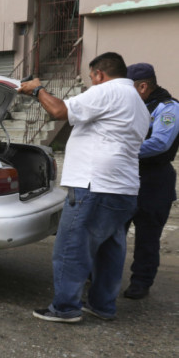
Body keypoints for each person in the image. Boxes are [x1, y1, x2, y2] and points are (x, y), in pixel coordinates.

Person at [18, 52, 150, 322]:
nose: (92, 83)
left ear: (100, 74)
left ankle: (65, 308)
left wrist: (38, 90)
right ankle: (102, 305)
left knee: (72, 247)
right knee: (110, 250)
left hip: (94, 184)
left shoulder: (108, 91)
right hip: (124, 188)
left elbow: (58, 111)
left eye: (92, 78)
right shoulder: (137, 101)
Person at [123, 63, 179, 299]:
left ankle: (141, 282)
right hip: (126, 176)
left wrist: (121, 150)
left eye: (129, 89)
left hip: (154, 180)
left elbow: (160, 143)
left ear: (143, 86)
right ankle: (99, 275)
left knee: (147, 237)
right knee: (113, 231)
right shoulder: (135, 106)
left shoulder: (168, 109)